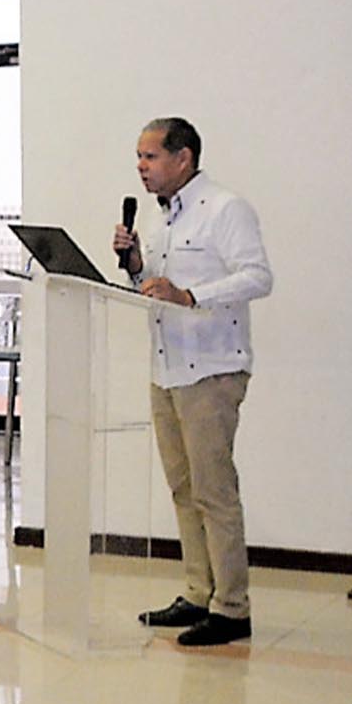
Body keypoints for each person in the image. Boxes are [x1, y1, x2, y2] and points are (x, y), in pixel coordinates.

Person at [111, 117, 274, 648]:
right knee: (184, 489)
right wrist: (134, 264)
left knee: (214, 491)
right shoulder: (162, 222)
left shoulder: (226, 209)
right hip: (166, 369)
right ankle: (198, 592)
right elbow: (154, 287)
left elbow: (257, 276)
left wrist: (190, 297)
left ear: (183, 159)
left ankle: (232, 607)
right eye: (139, 157)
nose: (142, 167)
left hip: (211, 371)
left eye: (150, 157)